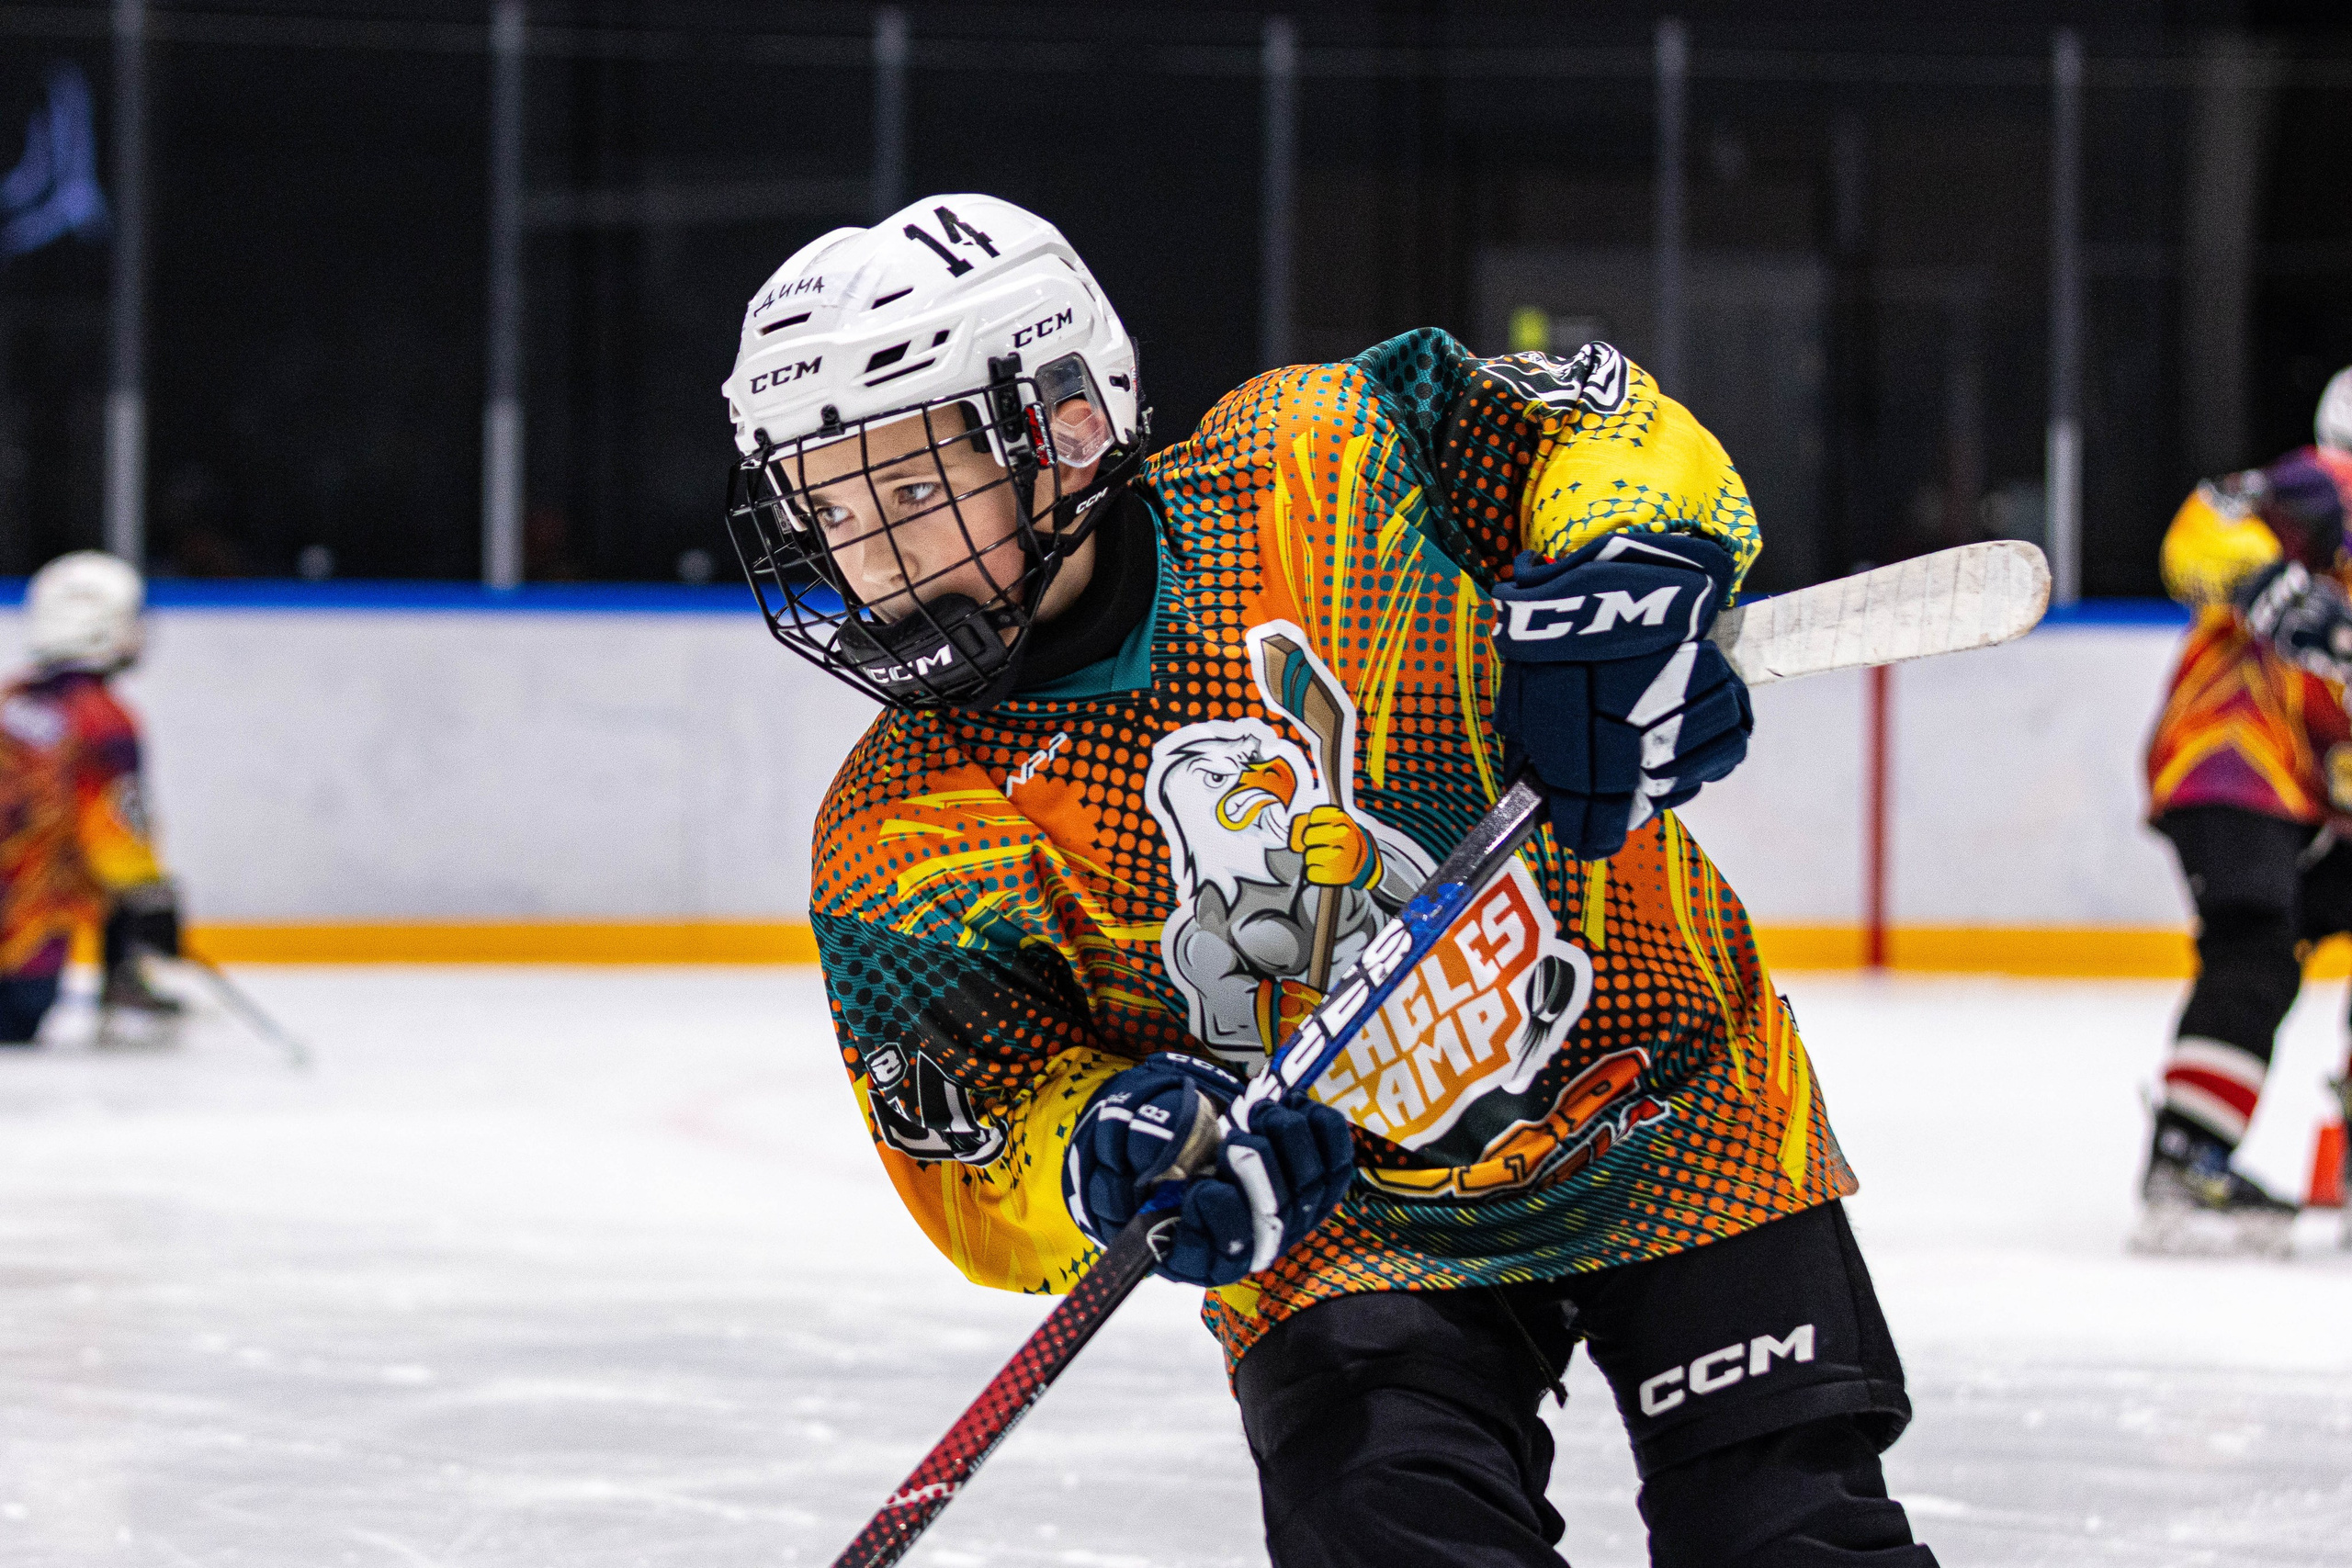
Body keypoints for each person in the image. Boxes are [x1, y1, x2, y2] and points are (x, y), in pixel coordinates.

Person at [724, 195, 1937, 1566]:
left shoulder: (1314, 467)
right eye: (827, 508)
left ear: (1061, 428)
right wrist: (1109, 1150)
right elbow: (978, 1128)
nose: (869, 557)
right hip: (1337, 1214)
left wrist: (1625, 575)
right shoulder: (905, 824)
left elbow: (1596, 427)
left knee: (1790, 1537)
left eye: (909, 490)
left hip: (1669, 1099)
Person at [2139, 367, 2352, 1255]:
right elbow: (2203, 525)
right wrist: (2269, 586)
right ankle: (2187, 1161)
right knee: (2254, 943)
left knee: (2259, 952)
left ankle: (2194, 1154)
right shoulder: (2331, 484)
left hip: (2282, 786)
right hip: (2229, 764)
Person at [0, 550, 183, 1045]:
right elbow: (117, 837)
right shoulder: (105, 721)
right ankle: (125, 978)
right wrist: (154, 902)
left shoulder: (10, 698)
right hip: (20, 960)